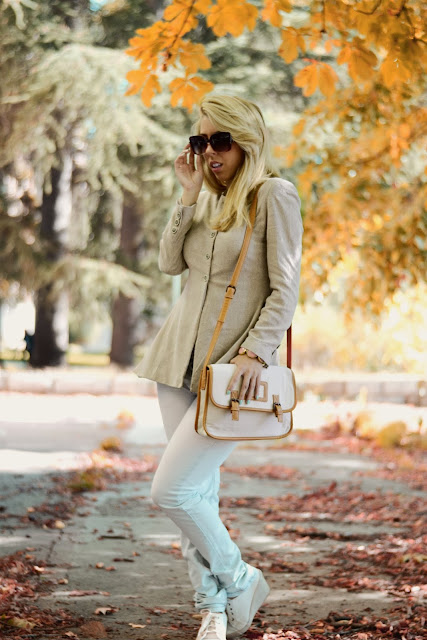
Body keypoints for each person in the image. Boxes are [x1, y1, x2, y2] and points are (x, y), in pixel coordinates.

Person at [134, 95, 304, 640]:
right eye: (201, 140)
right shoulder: (205, 198)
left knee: (172, 491)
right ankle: (212, 607)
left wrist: (256, 351)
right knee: (196, 494)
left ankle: (241, 577)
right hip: (175, 365)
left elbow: (285, 289)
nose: (210, 151)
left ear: (246, 142)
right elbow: (168, 263)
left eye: (221, 141)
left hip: (230, 373)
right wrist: (187, 196)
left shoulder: (274, 195)